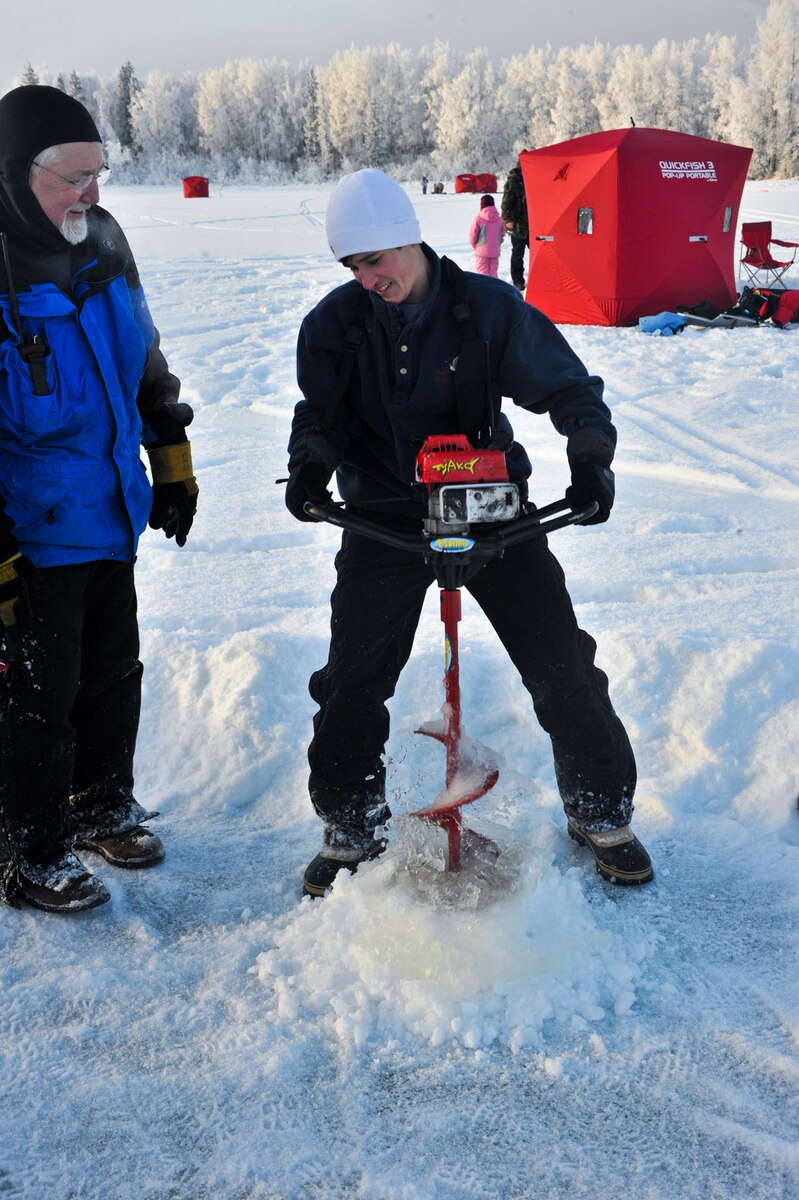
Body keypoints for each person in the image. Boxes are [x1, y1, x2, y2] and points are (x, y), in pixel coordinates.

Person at [285, 168, 652, 898]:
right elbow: (321, 415)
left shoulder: (487, 309)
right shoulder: (334, 324)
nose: (365, 278)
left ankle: (599, 813)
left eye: (375, 261)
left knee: (562, 667)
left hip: (488, 506)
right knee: (353, 681)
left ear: (408, 241)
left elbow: (570, 390)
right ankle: (351, 825)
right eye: (351, 266)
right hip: (382, 518)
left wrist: (590, 457)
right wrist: (308, 466)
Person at [0, 86, 198, 914]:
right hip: (29, 530)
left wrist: (173, 458)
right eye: (70, 178)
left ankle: (102, 808)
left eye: (98, 174)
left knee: (112, 672)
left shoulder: (105, 242)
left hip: (111, 508)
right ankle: (31, 852)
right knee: (36, 698)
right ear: (15, 176)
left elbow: (143, 355)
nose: (90, 194)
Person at [501, 161, 529, 291]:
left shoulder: (532, 178)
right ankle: (518, 280)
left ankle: (538, 277)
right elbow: (506, 203)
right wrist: (507, 220)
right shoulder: (513, 181)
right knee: (518, 253)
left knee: (539, 253)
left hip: (533, 224)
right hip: (518, 224)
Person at [468, 193, 505, 277]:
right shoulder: (499, 219)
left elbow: (472, 236)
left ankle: (484, 289)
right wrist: (496, 244)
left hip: (482, 251)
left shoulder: (479, 218)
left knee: (482, 273)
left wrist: (476, 246)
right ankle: (494, 289)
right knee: (493, 273)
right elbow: (502, 234)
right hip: (495, 251)